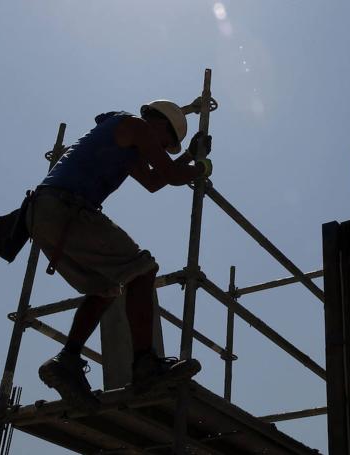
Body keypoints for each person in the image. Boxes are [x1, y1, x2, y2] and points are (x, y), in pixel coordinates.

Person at [27, 100, 212, 411]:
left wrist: (190, 157)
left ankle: (66, 361)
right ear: (160, 125)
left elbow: (155, 181)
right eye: (165, 143)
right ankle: (145, 364)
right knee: (142, 269)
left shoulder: (124, 139)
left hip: (43, 214)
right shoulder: (135, 127)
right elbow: (169, 172)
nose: (162, 149)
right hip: (66, 207)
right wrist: (202, 167)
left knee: (106, 288)